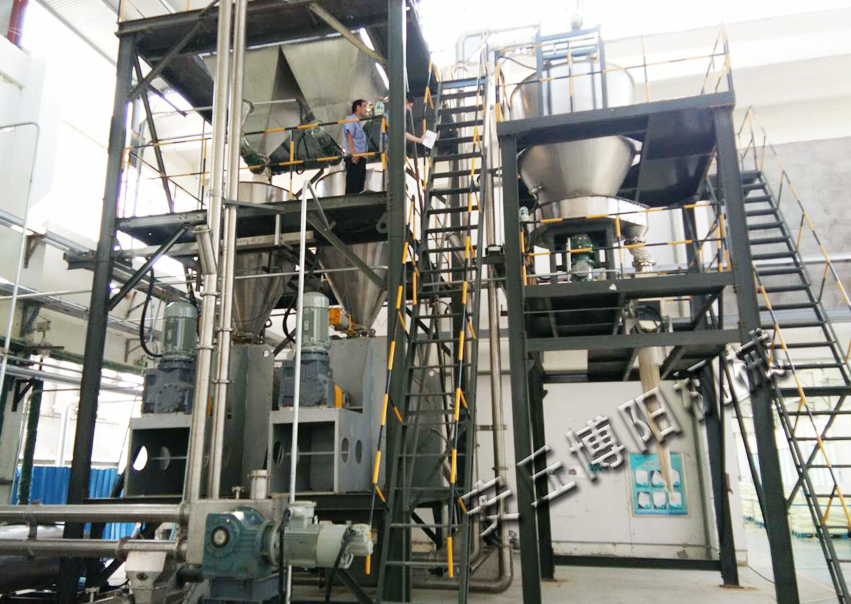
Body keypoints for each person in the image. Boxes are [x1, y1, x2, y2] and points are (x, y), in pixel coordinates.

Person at [343, 99, 369, 194]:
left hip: (361, 157)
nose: (366, 109)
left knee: (359, 187)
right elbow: (349, 136)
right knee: (353, 186)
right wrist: (353, 154)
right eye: (364, 106)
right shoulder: (351, 119)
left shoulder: (359, 123)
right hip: (355, 158)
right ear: (358, 107)